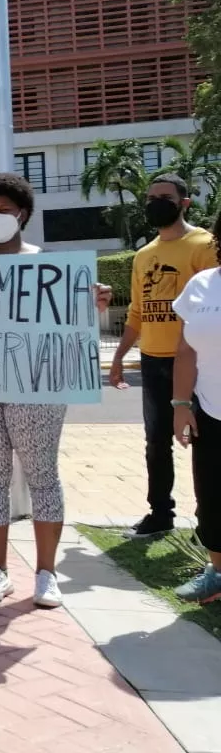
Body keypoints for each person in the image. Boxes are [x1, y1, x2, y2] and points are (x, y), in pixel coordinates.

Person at [0, 174, 111, 608]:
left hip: (38, 387)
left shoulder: (51, 268)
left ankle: (46, 574)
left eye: (3, 211)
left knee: (42, 476)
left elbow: (68, 317)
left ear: (23, 214)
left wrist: (93, 300)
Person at [110, 175, 215, 539]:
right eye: (151, 197)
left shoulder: (203, 245)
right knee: (156, 442)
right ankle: (160, 512)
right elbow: (137, 312)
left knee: (206, 444)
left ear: (184, 202)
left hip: (196, 363)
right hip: (153, 361)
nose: (156, 202)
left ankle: (208, 522)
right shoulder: (144, 255)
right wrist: (120, 355)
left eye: (165, 197)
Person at [171, 213, 221, 605]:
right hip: (209, 411)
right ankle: (217, 573)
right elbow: (186, 348)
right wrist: (181, 405)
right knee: (213, 497)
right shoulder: (203, 285)